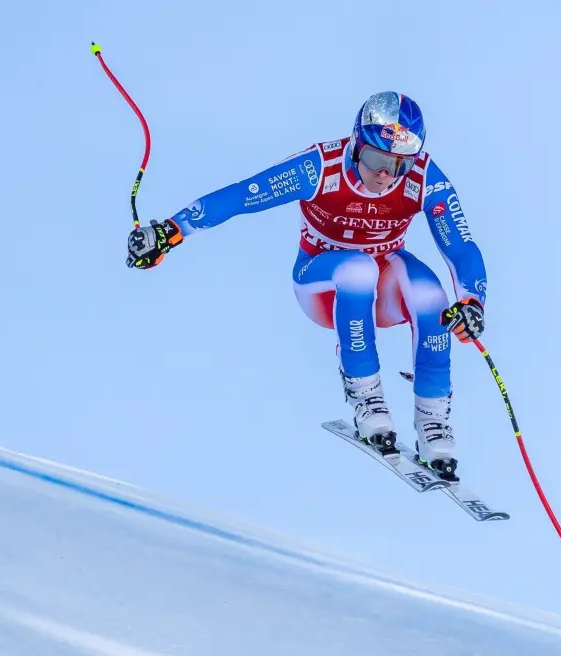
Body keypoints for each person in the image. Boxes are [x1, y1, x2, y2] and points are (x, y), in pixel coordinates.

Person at [124, 91, 487, 482]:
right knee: (358, 268)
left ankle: (433, 422)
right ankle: (367, 396)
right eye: (377, 160)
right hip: (322, 284)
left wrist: (473, 302)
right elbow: (242, 196)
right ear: (356, 145)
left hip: (382, 290)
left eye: (398, 165)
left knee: (432, 293)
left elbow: (460, 245)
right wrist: (170, 231)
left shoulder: (423, 179)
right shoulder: (321, 167)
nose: (385, 175)